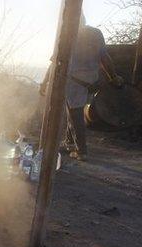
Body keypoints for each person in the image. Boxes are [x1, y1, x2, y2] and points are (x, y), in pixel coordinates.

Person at [40, 14, 123, 161]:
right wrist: (113, 77)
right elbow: (105, 58)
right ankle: (70, 143)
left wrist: (45, 81)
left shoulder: (66, 35)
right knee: (73, 110)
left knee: (75, 115)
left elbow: (55, 62)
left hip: (74, 80)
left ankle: (81, 151)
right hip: (91, 81)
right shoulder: (96, 33)